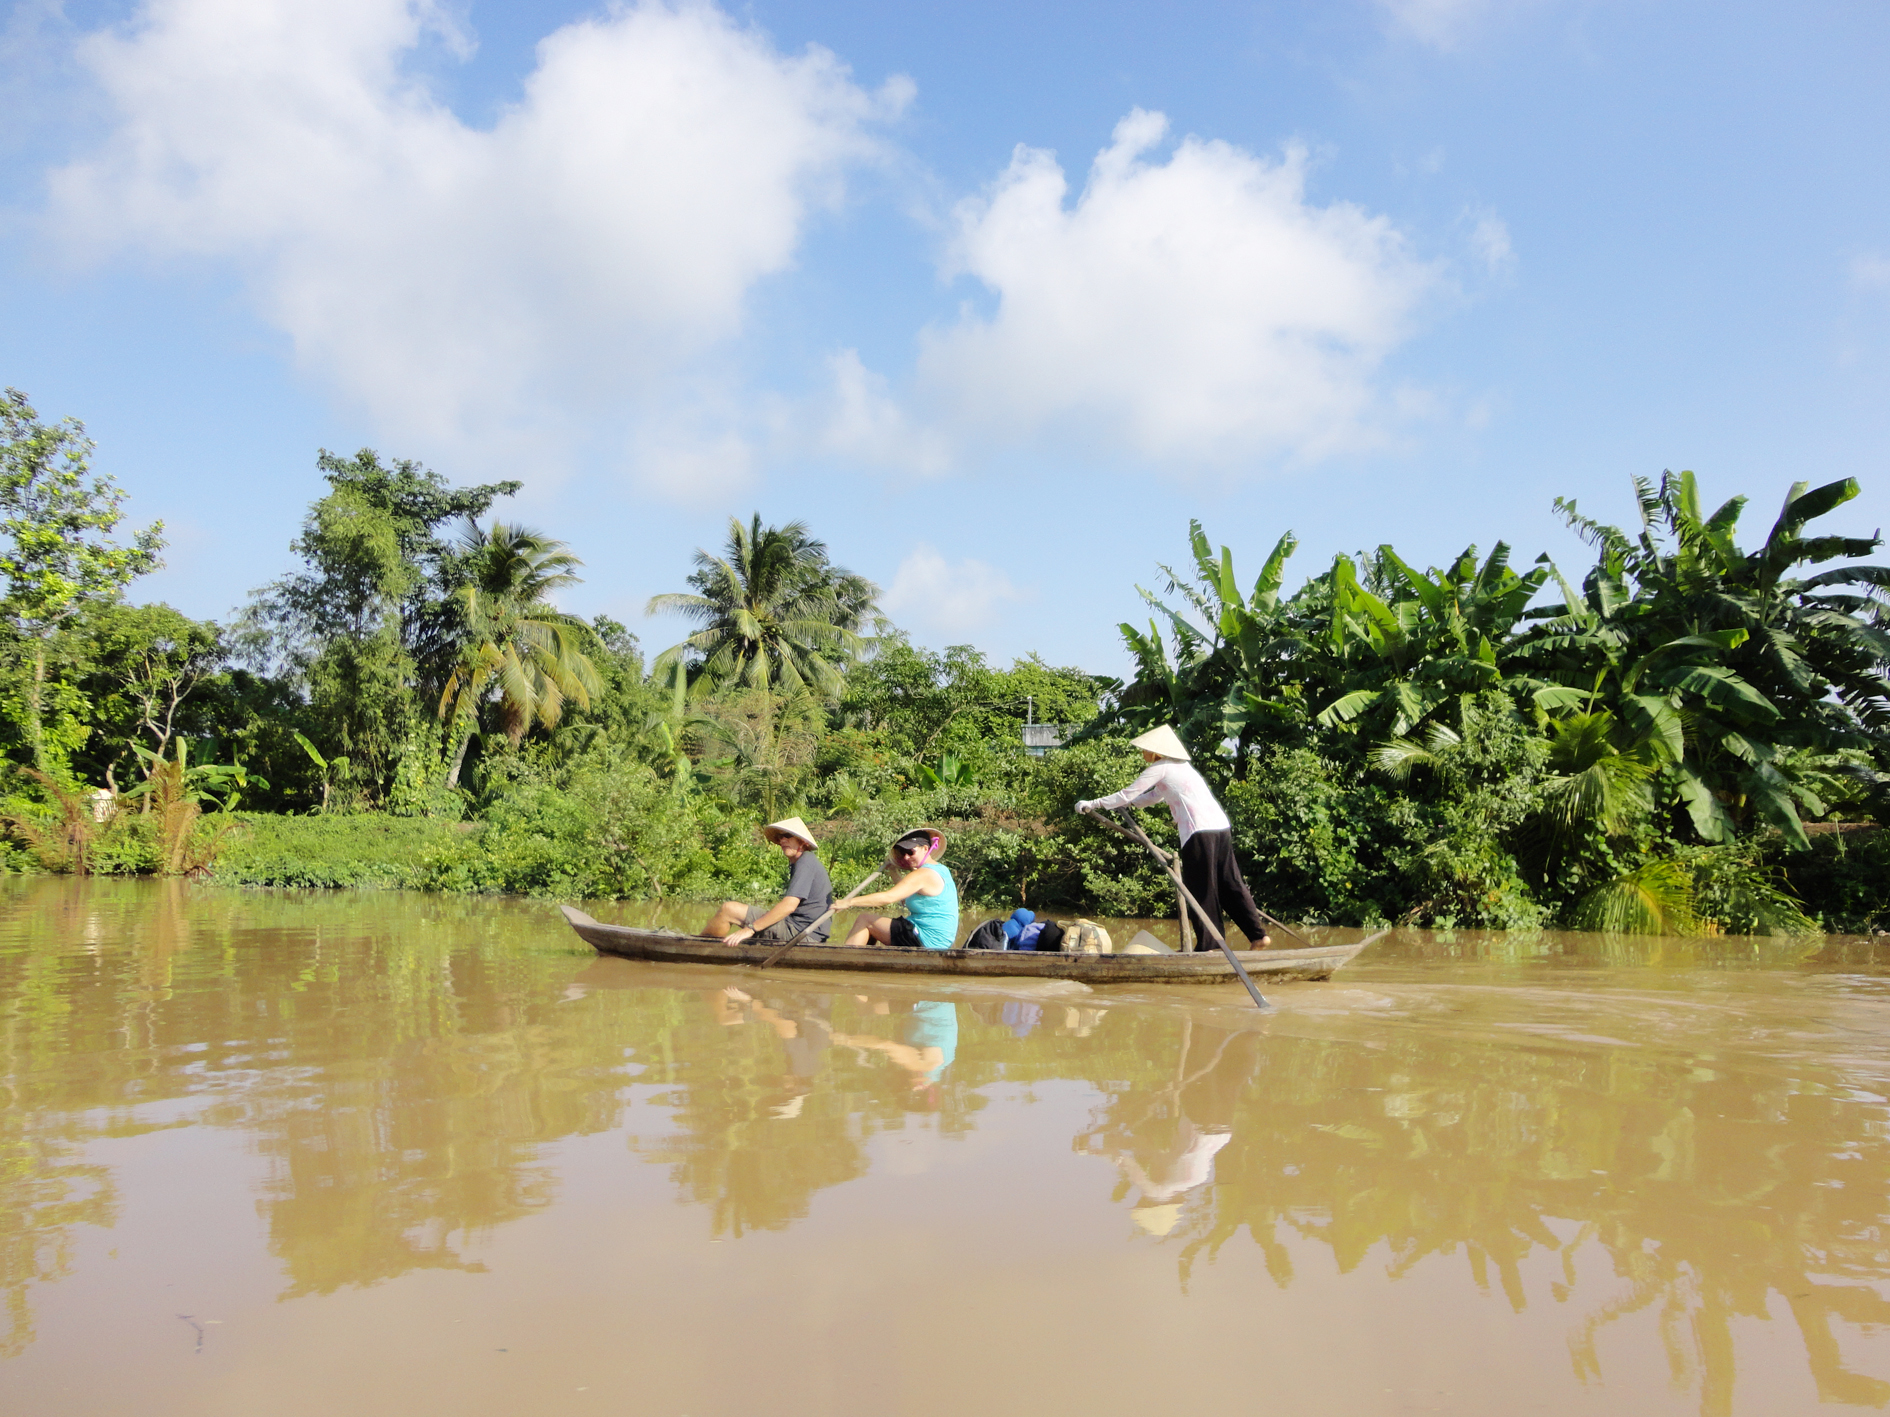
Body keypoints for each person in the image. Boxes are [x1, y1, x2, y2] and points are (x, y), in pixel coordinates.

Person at [1076, 725, 1272, 948]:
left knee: (1201, 890)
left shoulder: (1161, 767)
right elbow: (1154, 796)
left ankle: (1210, 947)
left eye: (1145, 750)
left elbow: (1126, 793)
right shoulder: (1183, 767)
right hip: (1220, 828)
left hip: (1198, 832)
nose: (1143, 754)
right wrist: (1131, 804)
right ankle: (1258, 935)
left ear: (1156, 751)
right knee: (1230, 883)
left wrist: (1092, 804)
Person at [701, 816, 835, 945]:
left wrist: (751, 928)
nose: (782, 840)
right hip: (800, 929)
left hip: (803, 934)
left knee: (728, 910)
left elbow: (789, 905)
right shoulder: (802, 862)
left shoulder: (806, 862)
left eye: (787, 836)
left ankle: (701, 948)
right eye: (780, 837)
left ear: (802, 842)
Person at [840, 827, 959, 950]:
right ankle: (865, 960)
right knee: (875, 923)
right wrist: (892, 870)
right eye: (902, 853)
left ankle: (844, 960)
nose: (906, 857)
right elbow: (904, 897)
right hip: (937, 939)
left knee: (865, 919)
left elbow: (888, 897)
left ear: (925, 849)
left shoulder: (923, 874)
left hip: (926, 938)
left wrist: (848, 902)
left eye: (911, 852)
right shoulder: (941, 869)